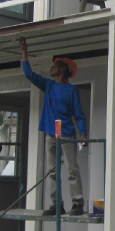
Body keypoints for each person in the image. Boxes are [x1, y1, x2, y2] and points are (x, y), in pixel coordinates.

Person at [20, 38, 87, 216]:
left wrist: (83, 133)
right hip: (52, 134)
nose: (52, 67)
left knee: (72, 169)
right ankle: (57, 204)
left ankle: (78, 203)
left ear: (63, 69)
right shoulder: (48, 86)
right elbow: (29, 74)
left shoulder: (71, 91)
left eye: (55, 65)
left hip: (66, 135)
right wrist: (24, 52)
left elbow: (79, 114)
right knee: (52, 171)